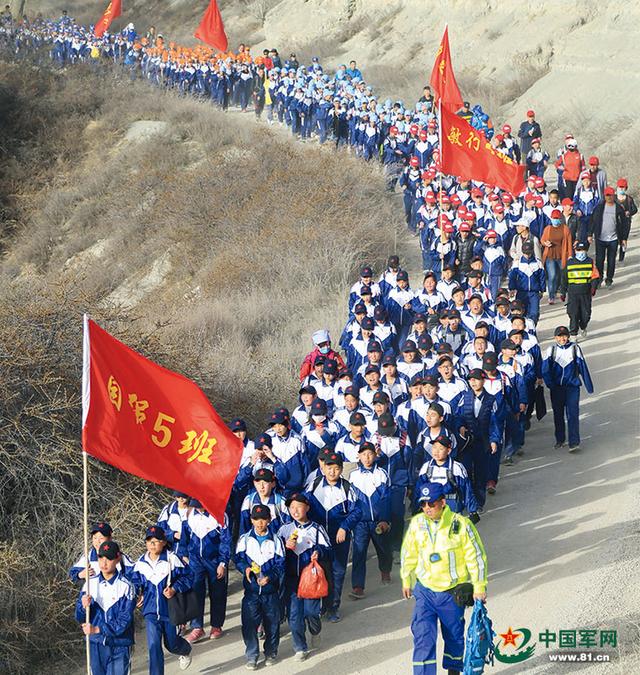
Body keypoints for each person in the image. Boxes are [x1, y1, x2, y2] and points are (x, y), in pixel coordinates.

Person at [401, 482, 487, 675]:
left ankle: (454, 671)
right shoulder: (417, 524)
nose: (427, 509)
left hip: (451, 594)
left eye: (431, 504)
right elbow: (408, 553)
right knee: (423, 636)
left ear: (442, 502)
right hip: (425, 592)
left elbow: (477, 557)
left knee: (455, 638)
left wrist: (479, 587)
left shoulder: (461, 524)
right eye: (423, 504)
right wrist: (406, 579)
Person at [307, 451, 361, 621]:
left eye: (336, 468)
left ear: (341, 470)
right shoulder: (313, 486)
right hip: (317, 538)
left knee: (337, 572)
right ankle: (318, 607)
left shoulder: (347, 488)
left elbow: (357, 511)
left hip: (340, 538)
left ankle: (333, 607)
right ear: (323, 468)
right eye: (329, 468)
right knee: (318, 571)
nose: (332, 472)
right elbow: (302, 507)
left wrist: (345, 527)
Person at [130, 526, 193, 674]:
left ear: (164, 542)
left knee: (171, 644)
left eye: (156, 541)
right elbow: (134, 583)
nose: (152, 544)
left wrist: (174, 588)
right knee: (153, 646)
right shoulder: (140, 563)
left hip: (170, 610)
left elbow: (189, 576)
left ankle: (185, 649)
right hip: (150, 611)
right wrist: (137, 595)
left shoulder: (172, 559)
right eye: (149, 541)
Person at [277, 493, 331, 662]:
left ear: (307, 508)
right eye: (292, 507)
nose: (295, 510)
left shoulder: (316, 529)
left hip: (311, 579)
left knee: (311, 612)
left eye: (299, 506)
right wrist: (285, 548)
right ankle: (300, 647)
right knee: (294, 615)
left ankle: (315, 630)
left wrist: (318, 552)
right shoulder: (284, 529)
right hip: (291, 579)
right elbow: (275, 555)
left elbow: (328, 549)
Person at [235, 504, 286, 670]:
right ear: (251, 520)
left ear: (269, 520)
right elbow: (238, 559)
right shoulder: (244, 539)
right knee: (249, 624)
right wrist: (246, 569)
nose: (259, 523)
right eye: (256, 519)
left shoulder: (276, 540)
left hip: (270, 592)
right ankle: (252, 655)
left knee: (272, 623)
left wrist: (269, 577)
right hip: (251, 592)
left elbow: (281, 565)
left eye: (263, 519)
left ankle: (271, 652)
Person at [75, 541, 136, 675]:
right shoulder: (89, 585)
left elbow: (124, 620)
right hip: (95, 645)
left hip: (120, 644)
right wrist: (83, 607)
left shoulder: (127, 586)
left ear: (117, 558)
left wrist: (98, 629)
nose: (104, 562)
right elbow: (79, 617)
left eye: (109, 558)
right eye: (101, 557)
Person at [182, 499, 231, 643]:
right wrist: (184, 556)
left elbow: (225, 541)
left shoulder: (220, 515)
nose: (199, 509)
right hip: (195, 559)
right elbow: (184, 538)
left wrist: (223, 562)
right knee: (195, 591)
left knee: (218, 592)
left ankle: (216, 625)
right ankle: (197, 627)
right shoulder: (189, 514)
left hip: (215, 559)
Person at [349, 440, 393, 598]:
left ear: (375, 456)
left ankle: (385, 570)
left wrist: (385, 519)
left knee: (383, 548)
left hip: (378, 521)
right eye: (364, 454)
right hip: (360, 522)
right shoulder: (353, 476)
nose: (367, 457)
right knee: (359, 553)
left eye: (370, 454)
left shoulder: (381, 474)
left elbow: (386, 498)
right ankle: (358, 586)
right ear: (359, 456)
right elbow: (351, 500)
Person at [542, 326, 594, 451]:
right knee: (558, 414)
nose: (562, 338)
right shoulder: (551, 350)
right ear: (555, 338)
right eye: (559, 336)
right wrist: (550, 385)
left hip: (572, 387)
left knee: (572, 414)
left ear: (568, 336)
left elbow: (582, 366)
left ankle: (574, 442)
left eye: (564, 335)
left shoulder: (575, 348)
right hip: (557, 388)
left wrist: (589, 386)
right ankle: (560, 439)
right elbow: (545, 370)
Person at [69, 521, 134, 583]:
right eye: (95, 538)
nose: (97, 541)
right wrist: (80, 575)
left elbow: (135, 575)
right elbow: (72, 574)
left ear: (110, 538)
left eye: (101, 538)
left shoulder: (120, 557)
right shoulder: (89, 556)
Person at [559, 242, 599, 339]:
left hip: (585, 293)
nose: (581, 252)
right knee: (573, 313)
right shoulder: (569, 263)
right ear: (575, 251)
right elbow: (564, 279)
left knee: (586, 314)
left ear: (586, 251)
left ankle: (583, 326)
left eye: (583, 250)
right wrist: (563, 292)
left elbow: (595, 276)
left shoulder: (590, 262)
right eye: (579, 250)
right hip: (573, 293)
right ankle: (573, 334)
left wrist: (593, 287)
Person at [589, 186, 627, 287]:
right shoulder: (599, 208)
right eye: (607, 195)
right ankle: (599, 278)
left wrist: (623, 238)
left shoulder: (619, 209)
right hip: (600, 238)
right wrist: (589, 234)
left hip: (613, 239)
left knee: (611, 260)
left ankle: (609, 279)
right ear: (604, 196)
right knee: (599, 260)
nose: (609, 197)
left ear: (614, 195)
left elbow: (624, 224)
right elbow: (593, 221)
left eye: (610, 195)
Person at [540, 209, 573, 305]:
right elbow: (542, 240)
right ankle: (551, 296)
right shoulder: (548, 229)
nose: (555, 220)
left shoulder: (565, 229)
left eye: (557, 218)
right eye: (554, 218)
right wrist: (545, 243)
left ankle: (562, 292)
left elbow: (569, 243)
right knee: (552, 276)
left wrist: (570, 255)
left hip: (561, 256)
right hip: (550, 255)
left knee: (562, 275)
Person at [615, 178, 637, 262]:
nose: (621, 189)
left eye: (623, 187)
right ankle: (613, 256)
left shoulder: (629, 199)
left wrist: (629, 212)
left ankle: (621, 258)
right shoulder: (613, 198)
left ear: (626, 188)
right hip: (615, 223)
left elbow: (635, 209)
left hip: (626, 223)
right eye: (620, 187)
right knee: (615, 241)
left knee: (623, 240)